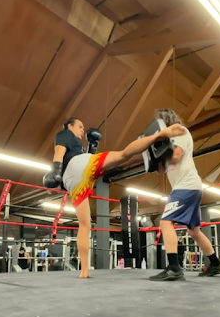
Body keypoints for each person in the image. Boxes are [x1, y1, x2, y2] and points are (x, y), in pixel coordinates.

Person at [44, 117, 186, 279]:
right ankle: (159, 135)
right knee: (122, 155)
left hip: (73, 181)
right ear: (70, 126)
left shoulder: (78, 146)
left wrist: (91, 147)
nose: (83, 130)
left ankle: (84, 271)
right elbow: (59, 152)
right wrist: (55, 169)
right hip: (76, 167)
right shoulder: (65, 134)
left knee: (85, 224)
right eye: (80, 127)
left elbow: (85, 166)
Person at [149, 108, 220, 282]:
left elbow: (176, 155)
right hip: (189, 187)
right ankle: (216, 264)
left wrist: (161, 148)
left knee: (165, 222)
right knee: (193, 231)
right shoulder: (168, 141)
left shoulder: (180, 132)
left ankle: (174, 268)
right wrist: (154, 153)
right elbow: (161, 170)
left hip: (186, 186)